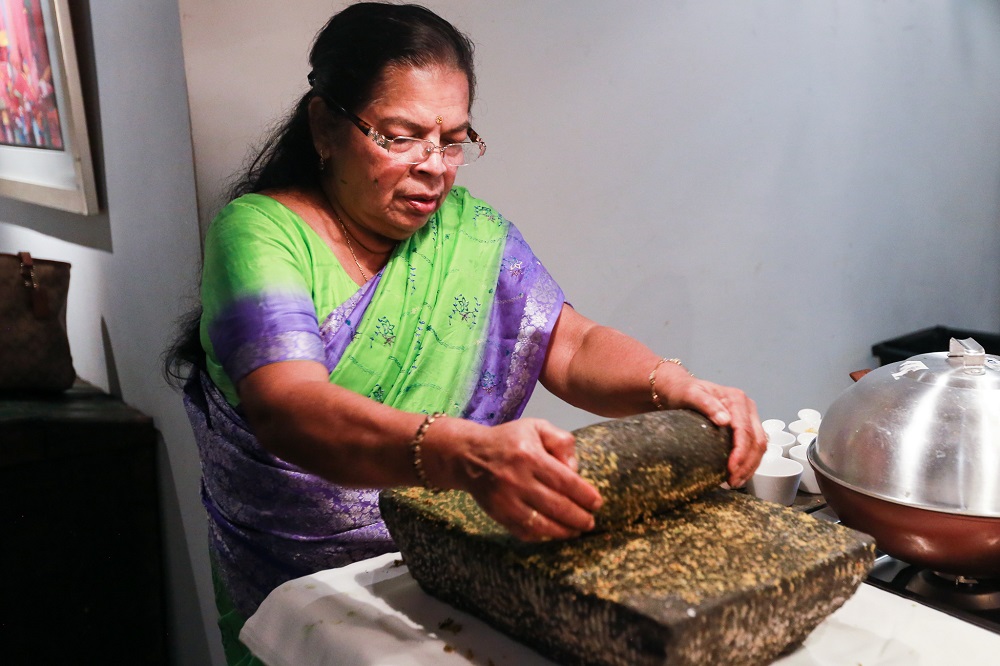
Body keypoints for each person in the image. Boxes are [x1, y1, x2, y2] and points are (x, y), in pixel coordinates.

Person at [166, 3, 767, 664]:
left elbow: (569, 344)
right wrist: (464, 455)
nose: (435, 166)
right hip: (297, 585)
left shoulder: (469, 233)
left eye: (453, 139)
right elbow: (291, 409)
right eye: (401, 135)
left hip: (451, 565)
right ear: (325, 126)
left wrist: (673, 385)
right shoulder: (260, 233)